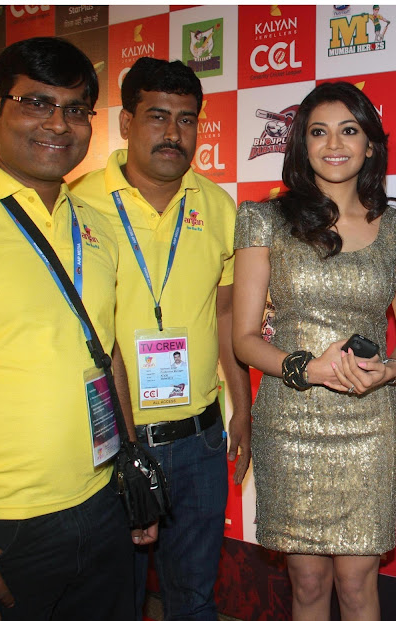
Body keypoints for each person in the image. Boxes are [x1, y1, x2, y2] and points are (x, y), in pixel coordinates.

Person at [0, 37, 147, 621]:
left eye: (74, 108)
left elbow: (109, 354)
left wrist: (132, 468)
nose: (58, 124)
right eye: (36, 103)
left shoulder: (96, 225)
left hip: (102, 506)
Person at [232, 81, 396, 621]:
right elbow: (244, 338)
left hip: (369, 422)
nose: (334, 144)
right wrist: (307, 369)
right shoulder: (263, 219)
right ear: (301, 144)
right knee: (309, 582)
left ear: (369, 145)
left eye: (349, 130)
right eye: (318, 131)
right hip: (290, 419)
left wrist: (388, 371)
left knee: (359, 582)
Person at [71, 57, 252, 621]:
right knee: (113, 601)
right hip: (109, 445)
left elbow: (225, 315)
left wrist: (242, 404)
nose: (174, 134)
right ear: (125, 123)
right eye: (157, 117)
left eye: (187, 119)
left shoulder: (218, 206)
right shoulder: (76, 206)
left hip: (199, 440)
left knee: (193, 600)